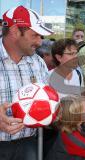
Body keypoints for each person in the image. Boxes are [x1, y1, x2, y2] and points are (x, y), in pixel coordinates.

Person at [0, 5, 53, 160]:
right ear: (16, 31)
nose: (39, 42)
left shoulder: (38, 62)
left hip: (29, 143)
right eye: (35, 35)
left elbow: (46, 99)